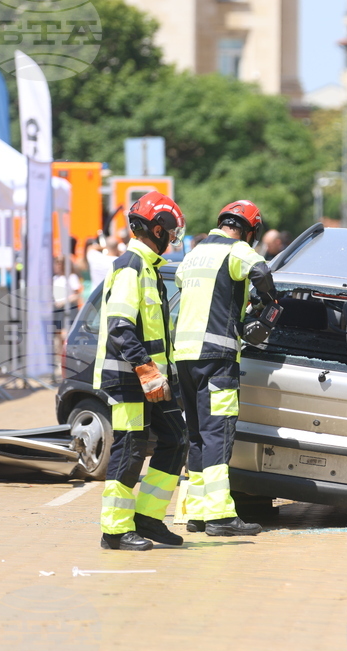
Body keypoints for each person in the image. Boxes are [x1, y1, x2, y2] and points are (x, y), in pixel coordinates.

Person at [174, 200, 281, 537]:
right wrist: (269, 301)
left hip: (185, 357)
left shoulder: (193, 255)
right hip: (217, 358)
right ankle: (220, 518)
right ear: (250, 230)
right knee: (218, 435)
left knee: (197, 437)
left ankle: (197, 513)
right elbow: (262, 272)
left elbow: (185, 285)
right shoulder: (236, 250)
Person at [93, 192, 188, 551]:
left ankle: (147, 519)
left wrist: (158, 374)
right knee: (130, 449)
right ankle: (114, 531)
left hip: (151, 378)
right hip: (130, 377)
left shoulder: (148, 269)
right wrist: (147, 370)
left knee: (176, 439)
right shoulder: (131, 266)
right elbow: (120, 326)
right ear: (158, 229)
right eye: (171, 231)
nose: (173, 238)